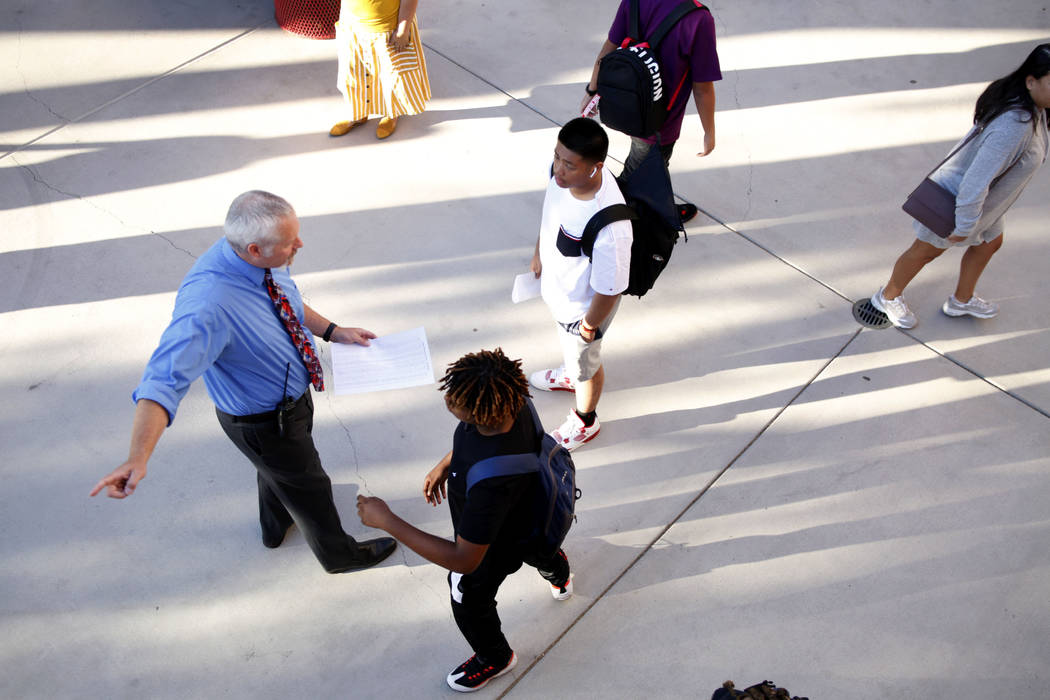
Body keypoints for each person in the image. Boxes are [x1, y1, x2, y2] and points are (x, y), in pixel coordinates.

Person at [90, 190, 396, 574]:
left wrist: (333, 331)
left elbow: (289, 302)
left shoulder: (261, 256)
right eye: (290, 243)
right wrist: (138, 456)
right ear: (254, 249)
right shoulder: (207, 307)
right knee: (311, 487)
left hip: (286, 407)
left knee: (278, 472)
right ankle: (340, 556)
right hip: (265, 423)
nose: (299, 245)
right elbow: (161, 381)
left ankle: (275, 526)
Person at [356, 348, 573, 693]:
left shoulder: (490, 487)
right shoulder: (514, 400)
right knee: (540, 549)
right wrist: (447, 464)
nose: (448, 401)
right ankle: (557, 570)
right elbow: (474, 441)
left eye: (456, 403)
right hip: (531, 515)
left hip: (494, 544)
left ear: (480, 415)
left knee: (467, 598)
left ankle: (495, 658)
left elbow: (464, 560)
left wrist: (387, 520)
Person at [872, 44, 1050, 329]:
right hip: (957, 202)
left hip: (988, 204)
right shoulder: (1013, 127)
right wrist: (964, 225)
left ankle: (961, 299)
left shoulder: (1037, 110)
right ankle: (887, 296)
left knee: (991, 243)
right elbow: (975, 180)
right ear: (1031, 80)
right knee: (925, 251)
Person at [527, 118, 632, 451]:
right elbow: (551, 216)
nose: (558, 169)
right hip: (560, 293)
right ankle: (571, 374)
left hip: (582, 310)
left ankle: (586, 420)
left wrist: (589, 325)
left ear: (595, 167)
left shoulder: (610, 227)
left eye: (569, 164)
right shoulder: (561, 177)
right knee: (575, 357)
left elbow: (610, 288)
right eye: (557, 157)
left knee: (586, 363)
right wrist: (538, 251)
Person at [581, 0, 722, 222]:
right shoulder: (698, 19)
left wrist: (592, 90)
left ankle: (657, 206)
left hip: (623, 102)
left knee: (647, 167)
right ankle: (609, 214)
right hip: (660, 122)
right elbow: (702, 88)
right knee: (640, 175)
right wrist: (709, 132)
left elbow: (609, 47)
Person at [328, 0, 431, 140]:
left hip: (386, 29)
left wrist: (403, 29)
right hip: (352, 27)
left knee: (389, 76)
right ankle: (358, 113)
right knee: (354, 74)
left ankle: (391, 113)